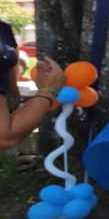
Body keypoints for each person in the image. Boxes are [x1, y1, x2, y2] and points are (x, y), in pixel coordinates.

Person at [0, 18, 65, 150]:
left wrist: (14, 96)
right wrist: (48, 90)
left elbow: (10, 65)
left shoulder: (3, 28)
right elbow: (3, 138)